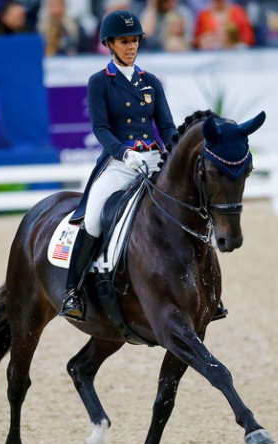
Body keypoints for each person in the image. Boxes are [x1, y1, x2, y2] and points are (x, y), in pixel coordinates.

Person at [58, 10, 178, 321]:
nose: (131, 47)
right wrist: (124, 153)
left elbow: (165, 126)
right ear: (110, 44)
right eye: (124, 42)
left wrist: (175, 149)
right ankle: (73, 290)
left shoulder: (151, 82)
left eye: (134, 41)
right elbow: (101, 129)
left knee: (187, 206)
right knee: (95, 217)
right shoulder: (100, 82)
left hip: (153, 160)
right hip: (121, 162)